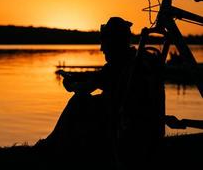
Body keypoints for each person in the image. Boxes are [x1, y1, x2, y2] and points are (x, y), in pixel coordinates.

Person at [35, 17, 166, 169]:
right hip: (140, 121)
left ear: (113, 42)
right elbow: (98, 77)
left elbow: (87, 88)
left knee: (79, 100)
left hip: (120, 119)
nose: (101, 48)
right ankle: (59, 144)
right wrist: (78, 76)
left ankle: (50, 144)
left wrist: (70, 85)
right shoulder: (132, 59)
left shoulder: (118, 65)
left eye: (104, 42)